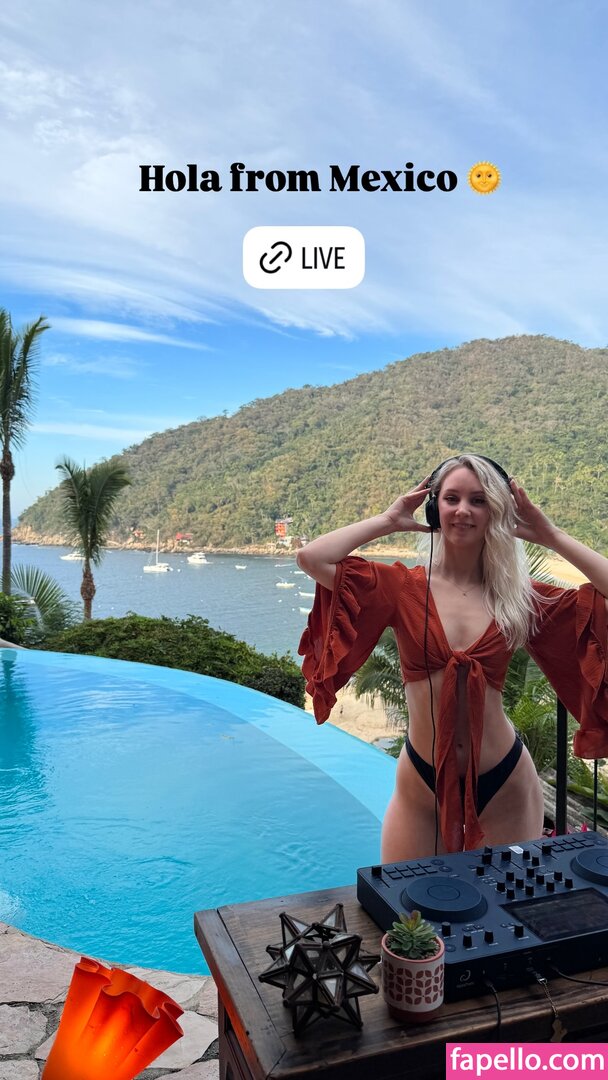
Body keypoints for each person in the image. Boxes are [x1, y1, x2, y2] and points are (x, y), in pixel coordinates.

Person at [297, 454, 608, 859]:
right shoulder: (401, 588)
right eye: (451, 498)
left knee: (502, 899)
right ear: (434, 508)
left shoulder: (521, 598)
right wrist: (388, 520)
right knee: (403, 897)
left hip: (505, 779)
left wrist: (551, 535)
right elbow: (312, 558)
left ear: (495, 511)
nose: (463, 510)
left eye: (479, 500)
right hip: (422, 780)